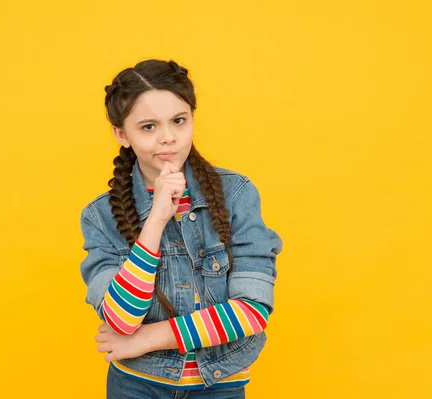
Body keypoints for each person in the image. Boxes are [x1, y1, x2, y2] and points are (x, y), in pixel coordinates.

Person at [79, 59, 283, 399]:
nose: (168, 137)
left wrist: (150, 337)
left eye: (179, 120)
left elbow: (252, 311)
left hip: (220, 384)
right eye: (148, 127)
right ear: (121, 134)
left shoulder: (237, 195)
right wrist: (156, 219)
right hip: (136, 386)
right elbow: (121, 321)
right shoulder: (99, 216)